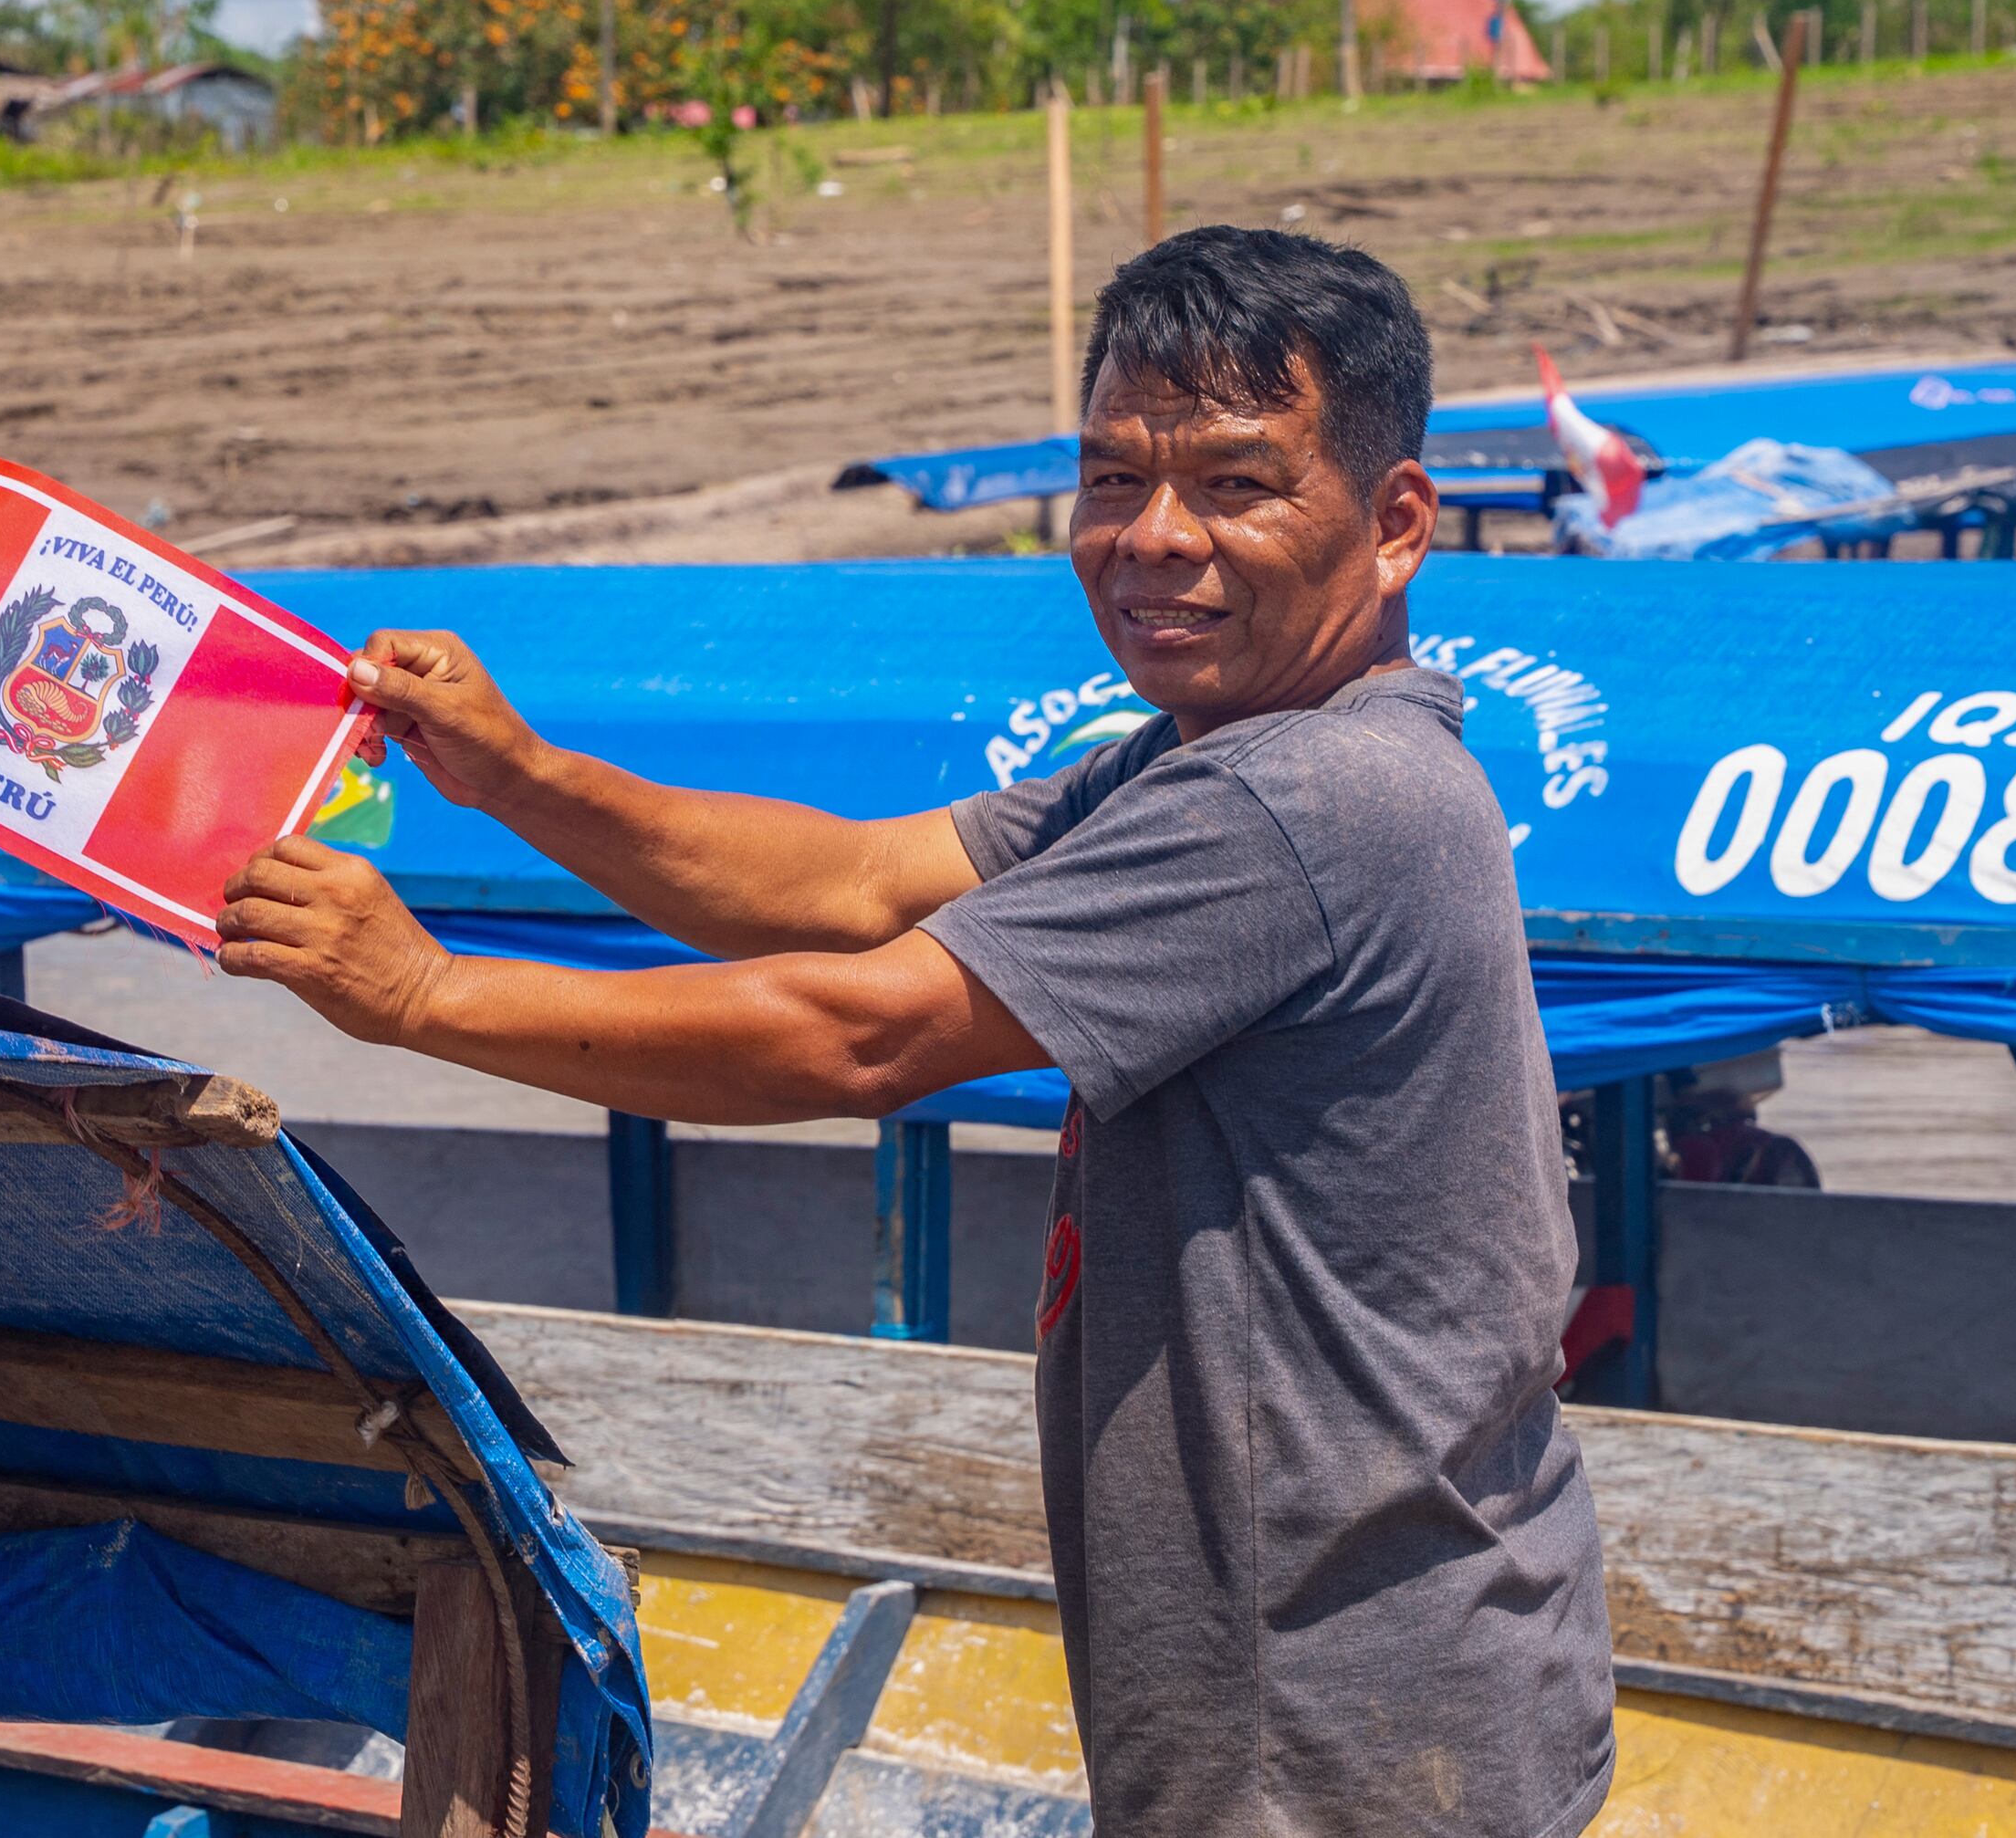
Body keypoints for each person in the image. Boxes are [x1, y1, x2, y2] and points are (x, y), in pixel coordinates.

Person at [216, 227, 1614, 1838]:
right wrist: (520, 773)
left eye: (1236, 485)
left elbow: (861, 1033)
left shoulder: (1305, 793)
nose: (1155, 539)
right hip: (1368, 1696)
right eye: (1112, 481)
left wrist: (421, 996)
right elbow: (862, 884)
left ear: (1394, 526)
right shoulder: (1197, 760)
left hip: (1347, 1740)